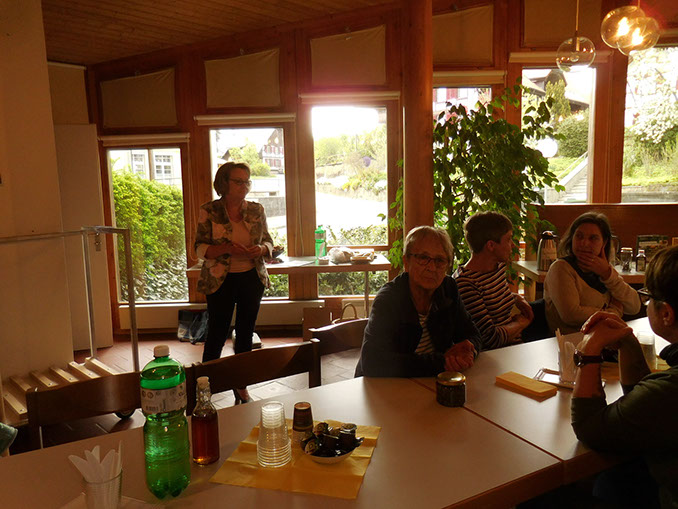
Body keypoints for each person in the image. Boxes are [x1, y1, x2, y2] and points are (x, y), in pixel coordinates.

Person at [571, 246, 678, 508]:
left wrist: (589, 352)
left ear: (666, 313)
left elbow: (589, 428)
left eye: (648, 297)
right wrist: (628, 344)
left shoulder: (668, 391)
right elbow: (643, 413)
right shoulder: (662, 397)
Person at [355, 226, 482, 377]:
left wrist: (468, 351)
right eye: (423, 258)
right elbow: (372, 362)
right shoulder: (389, 299)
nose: (432, 268)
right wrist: (442, 362)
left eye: (439, 260)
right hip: (384, 385)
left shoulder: (448, 288)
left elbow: (472, 334)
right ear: (406, 262)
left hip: (431, 381)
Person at [194, 162, 273, 403]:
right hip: (220, 279)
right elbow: (199, 248)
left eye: (247, 181)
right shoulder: (209, 210)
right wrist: (226, 249)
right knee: (216, 333)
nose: (244, 186)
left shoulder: (256, 210)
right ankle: (204, 389)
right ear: (224, 183)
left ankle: (241, 385)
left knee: (246, 333)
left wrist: (261, 249)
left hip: (251, 278)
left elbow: (269, 242)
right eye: (238, 181)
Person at [544, 212, 640, 334]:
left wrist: (607, 274)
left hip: (604, 339)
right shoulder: (560, 268)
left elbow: (634, 307)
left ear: (604, 243)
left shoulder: (603, 269)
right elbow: (571, 315)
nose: (584, 243)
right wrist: (613, 312)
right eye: (579, 236)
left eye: (593, 238)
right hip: (571, 341)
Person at [454, 211, 536, 349]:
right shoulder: (465, 283)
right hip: (493, 355)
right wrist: (522, 322)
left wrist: (516, 298)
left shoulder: (497, 268)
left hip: (514, 349)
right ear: (491, 245)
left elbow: (493, 299)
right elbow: (490, 339)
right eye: (508, 240)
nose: (513, 245)